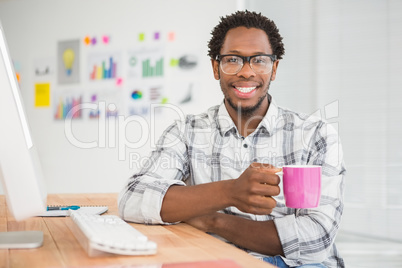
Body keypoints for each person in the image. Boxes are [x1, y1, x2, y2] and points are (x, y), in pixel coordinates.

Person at [119, 10, 345, 268]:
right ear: (216, 68)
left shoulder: (316, 134)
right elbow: (133, 199)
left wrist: (213, 220)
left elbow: (316, 239)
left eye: (259, 60)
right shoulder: (186, 131)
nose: (246, 72)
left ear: (274, 68)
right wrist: (229, 192)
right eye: (233, 60)